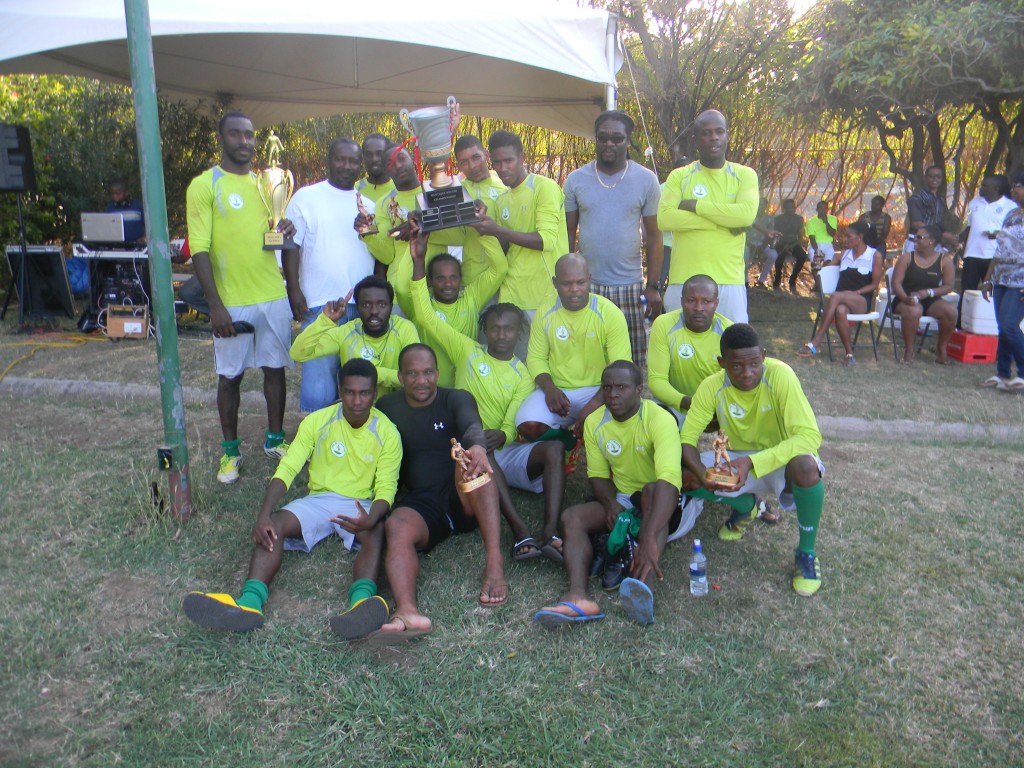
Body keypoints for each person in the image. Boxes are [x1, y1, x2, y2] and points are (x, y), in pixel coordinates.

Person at [181, 359, 402, 638]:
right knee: (274, 524)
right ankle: (249, 602)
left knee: (377, 528)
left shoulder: (387, 432)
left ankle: (360, 604)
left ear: (375, 394)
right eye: (350, 392)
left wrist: (370, 518)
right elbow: (287, 468)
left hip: (359, 503)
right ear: (339, 390)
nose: (357, 401)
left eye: (365, 393)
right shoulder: (318, 421)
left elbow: (386, 489)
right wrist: (264, 514)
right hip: (318, 499)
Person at [407, 231, 566, 564]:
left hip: (504, 452)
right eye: (495, 328)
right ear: (485, 330)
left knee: (553, 449)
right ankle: (520, 532)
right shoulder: (467, 350)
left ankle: (551, 531)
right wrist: (418, 263)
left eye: (509, 329)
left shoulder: (524, 375)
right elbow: (425, 314)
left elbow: (511, 419)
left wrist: (505, 433)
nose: (501, 334)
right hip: (472, 453)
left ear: (519, 333)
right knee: (481, 449)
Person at [186, 111, 296, 484]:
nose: (244, 141)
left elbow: (270, 239)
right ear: (221, 139)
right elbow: (199, 249)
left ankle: (275, 441)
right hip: (231, 301)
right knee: (230, 377)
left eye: (249, 135)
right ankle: (230, 453)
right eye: (235, 134)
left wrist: (284, 229)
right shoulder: (205, 185)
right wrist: (215, 305)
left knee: (275, 370)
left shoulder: (266, 184)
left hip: (272, 294)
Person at [373, 344, 509, 642]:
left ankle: (494, 562)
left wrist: (477, 446)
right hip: (422, 501)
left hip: (463, 494)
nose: (421, 380)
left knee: (475, 464)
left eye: (427, 372)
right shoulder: (387, 407)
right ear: (400, 376)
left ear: (437, 373)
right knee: (396, 525)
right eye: (412, 374)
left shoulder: (456, 398)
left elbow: (471, 425)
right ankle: (407, 611)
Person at [533, 361, 683, 627]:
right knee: (571, 518)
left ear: (639, 390)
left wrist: (648, 536)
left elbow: (669, 482)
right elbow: (598, 476)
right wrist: (610, 502)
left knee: (651, 492)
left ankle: (643, 588)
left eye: (621, 387)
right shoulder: (595, 421)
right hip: (624, 497)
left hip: (663, 498)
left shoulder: (659, 419)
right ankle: (579, 595)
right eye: (607, 387)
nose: (613, 394)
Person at [682, 323, 826, 597]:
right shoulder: (711, 386)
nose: (747, 373)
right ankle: (746, 506)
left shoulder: (781, 375)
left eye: (754, 364)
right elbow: (686, 440)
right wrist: (703, 475)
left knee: (806, 466)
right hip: (738, 460)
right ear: (722, 363)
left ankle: (806, 553)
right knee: (683, 475)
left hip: (780, 459)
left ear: (763, 356)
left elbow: (809, 437)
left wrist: (753, 462)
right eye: (736, 366)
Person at [283, 137, 378, 412]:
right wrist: (294, 290)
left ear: (360, 165)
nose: (347, 166)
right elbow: (291, 245)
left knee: (357, 384)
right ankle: (315, 435)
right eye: (340, 159)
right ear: (328, 161)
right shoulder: (306, 197)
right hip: (319, 305)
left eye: (353, 161)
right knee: (319, 385)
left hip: (361, 307)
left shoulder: (368, 205)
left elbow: (378, 253)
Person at [564, 110, 663, 368]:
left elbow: (654, 236)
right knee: (588, 361)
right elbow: (567, 235)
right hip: (587, 286)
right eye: (603, 138)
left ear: (628, 141)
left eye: (617, 138)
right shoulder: (575, 180)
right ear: (595, 139)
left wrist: (653, 285)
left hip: (630, 286)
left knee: (630, 364)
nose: (609, 143)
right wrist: (568, 282)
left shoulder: (646, 180)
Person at [515, 253, 632, 444]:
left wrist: (594, 403)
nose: (574, 289)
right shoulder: (545, 312)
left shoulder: (610, 313)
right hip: (558, 392)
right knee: (527, 424)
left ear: (590, 279)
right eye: (566, 283)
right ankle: (569, 441)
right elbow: (536, 358)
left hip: (600, 390)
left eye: (581, 282)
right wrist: (549, 389)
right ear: (555, 283)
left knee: (620, 424)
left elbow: (621, 368)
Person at [657, 109, 759, 322]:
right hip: (684, 280)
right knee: (679, 343)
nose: (714, 137)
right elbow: (665, 218)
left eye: (719, 131)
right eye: (706, 133)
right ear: (695, 141)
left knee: (733, 342)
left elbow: (745, 216)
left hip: (729, 281)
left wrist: (695, 205)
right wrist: (721, 223)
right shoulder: (680, 176)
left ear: (727, 136)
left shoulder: (744, 175)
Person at [470, 130, 568, 338]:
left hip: (543, 294)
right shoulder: (502, 200)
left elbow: (546, 241)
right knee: (513, 357)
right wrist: (483, 225)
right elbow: (505, 247)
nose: (502, 168)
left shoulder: (544, 187)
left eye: (508, 160)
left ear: (522, 158)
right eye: (497, 162)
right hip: (511, 293)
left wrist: (497, 230)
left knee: (543, 356)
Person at [289, 275, 419, 398]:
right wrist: (324, 321)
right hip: (355, 407)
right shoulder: (346, 332)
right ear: (357, 307)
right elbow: (298, 353)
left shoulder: (404, 329)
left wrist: (367, 373)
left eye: (381, 305)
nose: (374, 311)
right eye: (366, 305)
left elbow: (415, 376)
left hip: (394, 405)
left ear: (391, 307)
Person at [648, 274, 732, 427]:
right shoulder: (664, 325)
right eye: (691, 300)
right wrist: (687, 402)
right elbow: (656, 380)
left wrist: (713, 408)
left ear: (716, 303)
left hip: (717, 406)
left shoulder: (729, 332)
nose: (698, 308)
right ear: (682, 302)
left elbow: (737, 382)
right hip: (676, 405)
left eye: (706, 301)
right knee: (655, 421)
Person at [797, 220, 883, 366]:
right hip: (841, 302)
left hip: (860, 300)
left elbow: (874, 284)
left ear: (860, 237)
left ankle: (817, 341)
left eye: (849, 236)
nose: (845, 239)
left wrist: (857, 292)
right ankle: (849, 354)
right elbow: (823, 273)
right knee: (840, 310)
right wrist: (818, 264)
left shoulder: (874, 256)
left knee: (836, 296)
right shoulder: (842, 255)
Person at [980, 172, 1024, 391]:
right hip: (1002, 277)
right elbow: (1000, 249)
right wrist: (988, 279)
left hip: (1020, 281)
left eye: (1018, 186)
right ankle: (1003, 374)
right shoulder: (1012, 214)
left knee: (1009, 325)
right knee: (1002, 328)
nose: (1013, 190)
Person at [890, 224, 956, 364]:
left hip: (930, 298)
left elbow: (949, 286)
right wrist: (905, 298)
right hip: (906, 297)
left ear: (931, 241)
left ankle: (941, 350)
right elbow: (896, 283)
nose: (915, 239)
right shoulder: (906, 258)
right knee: (913, 310)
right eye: (915, 236)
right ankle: (909, 350)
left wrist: (929, 292)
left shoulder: (944, 260)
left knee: (951, 311)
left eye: (919, 237)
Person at [959, 174, 1015, 328]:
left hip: (995, 257)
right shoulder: (974, 203)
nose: (981, 188)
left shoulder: (1010, 207)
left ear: (996, 188)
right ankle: (961, 325)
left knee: (993, 292)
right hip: (972, 254)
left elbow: (1014, 234)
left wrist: (998, 234)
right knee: (967, 291)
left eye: (985, 185)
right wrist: (960, 244)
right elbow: (969, 226)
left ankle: (993, 326)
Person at [452, 134, 509, 287]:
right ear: (458, 166)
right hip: (470, 280)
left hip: (506, 279)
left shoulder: (506, 185)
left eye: (476, 157)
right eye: (464, 162)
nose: (472, 166)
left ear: (486, 155)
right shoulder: (456, 192)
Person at [905, 165, 958, 253]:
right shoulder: (917, 198)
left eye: (938, 176)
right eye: (931, 176)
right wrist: (943, 235)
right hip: (916, 243)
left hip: (934, 244)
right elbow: (917, 224)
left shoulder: (940, 200)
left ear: (942, 179)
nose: (935, 179)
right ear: (925, 178)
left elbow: (940, 223)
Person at [772, 198, 809, 293]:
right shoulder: (777, 219)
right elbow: (775, 235)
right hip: (780, 243)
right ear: (784, 208)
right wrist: (782, 244)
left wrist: (791, 246)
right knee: (779, 256)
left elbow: (800, 237)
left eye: (793, 207)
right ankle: (778, 278)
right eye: (788, 207)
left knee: (802, 256)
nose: (791, 209)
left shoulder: (799, 219)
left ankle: (793, 278)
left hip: (794, 243)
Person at [748, 197, 780, 288]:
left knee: (773, 254)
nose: (761, 207)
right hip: (748, 244)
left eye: (763, 205)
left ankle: (761, 280)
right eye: (760, 204)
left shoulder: (769, 219)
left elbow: (770, 235)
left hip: (762, 244)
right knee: (745, 255)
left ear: (766, 207)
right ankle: (745, 280)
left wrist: (763, 246)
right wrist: (749, 244)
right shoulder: (749, 216)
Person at [355, 133, 395, 206]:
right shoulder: (355, 190)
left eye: (379, 154)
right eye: (368, 154)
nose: (374, 159)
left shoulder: (399, 189)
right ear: (363, 158)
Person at [106, 179, 146, 243]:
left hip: (138, 245)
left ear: (126, 193)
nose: (115, 196)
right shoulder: (110, 207)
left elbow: (149, 225)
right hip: (116, 244)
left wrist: (144, 238)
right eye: (113, 194)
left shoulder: (138, 206)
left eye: (118, 194)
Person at [857, 195, 892, 264]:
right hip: (865, 242)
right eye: (873, 204)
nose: (874, 206)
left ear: (882, 205)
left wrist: (874, 242)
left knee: (878, 259)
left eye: (877, 204)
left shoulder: (886, 218)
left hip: (879, 243)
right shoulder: (863, 217)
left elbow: (884, 234)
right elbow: (858, 231)